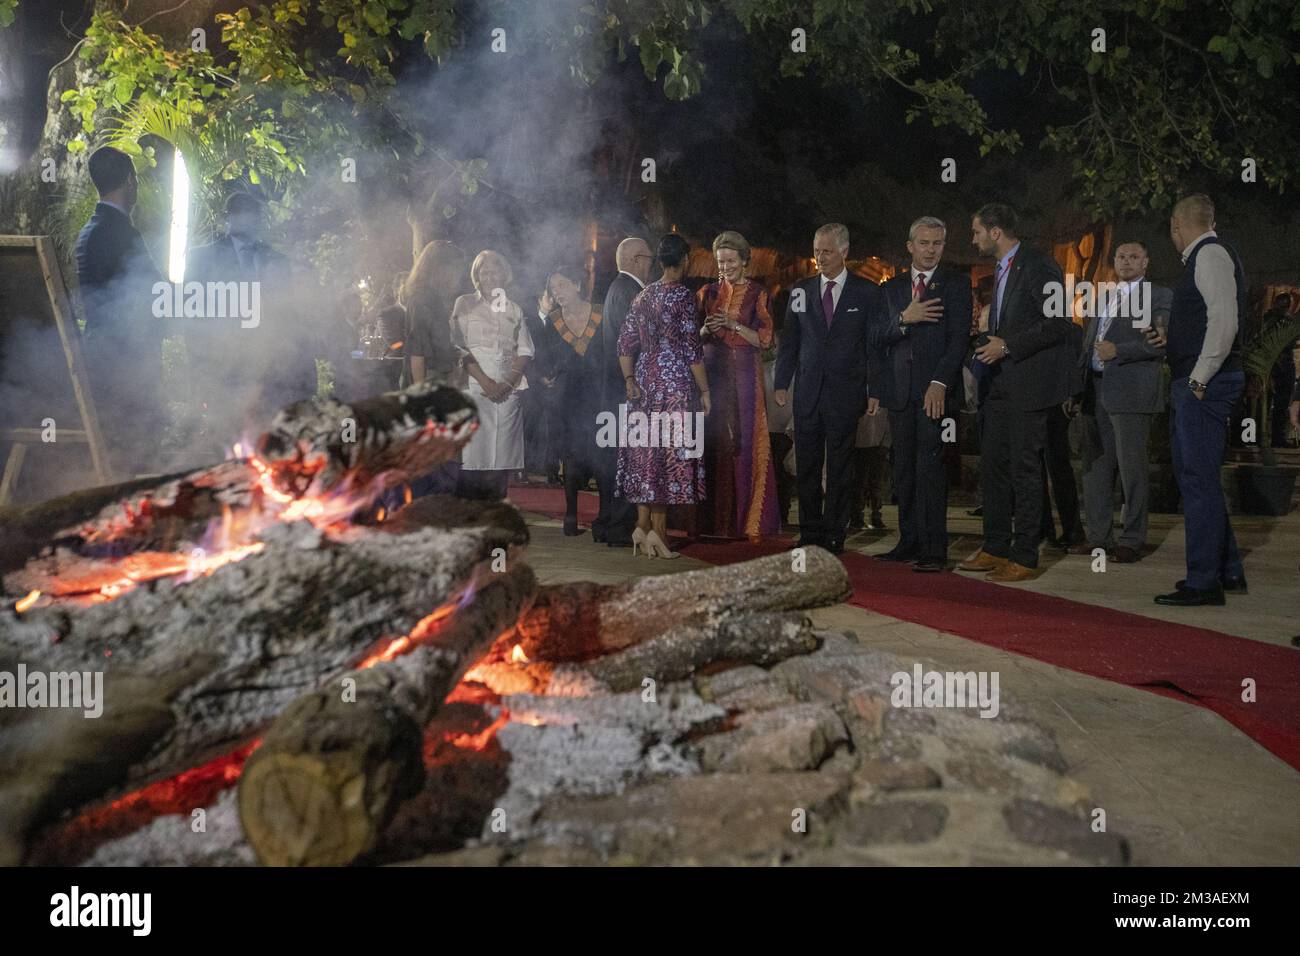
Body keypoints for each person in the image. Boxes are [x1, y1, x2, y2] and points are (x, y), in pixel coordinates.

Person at [957, 203, 1073, 582]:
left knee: (1025, 469)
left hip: (1029, 386)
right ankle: (994, 546)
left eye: (975, 232)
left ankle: (1025, 553)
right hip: (999, 386)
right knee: (994, 467)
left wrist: (1007, 345)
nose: (972, 240)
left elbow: (1057, 322)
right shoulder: (1001, 271)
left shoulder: (1040, 265)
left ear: (995, 231)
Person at [1146, 195, 1248, 606]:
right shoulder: (1210, 256)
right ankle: (1228, 569)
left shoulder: (1208, 254)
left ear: (1175, 225)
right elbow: (1212, 321)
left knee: (1198, 481)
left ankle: (1204, 582)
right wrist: (1173, 343)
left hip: (1204, 383)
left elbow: (1225, 322)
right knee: (1199, 478)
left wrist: (1198, 380)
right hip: (1202, 378)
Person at [871, 215, 973, 571]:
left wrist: (940, 383)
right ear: (910, 246)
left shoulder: (957, 285)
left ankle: (934, 549)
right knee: (904, 468)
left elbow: (959, 339)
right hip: (899, 393)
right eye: (925, 243)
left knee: (931, 467)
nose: (931, 250)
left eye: (937, 244)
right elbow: (876, 337)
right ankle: (908, 541)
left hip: (936, 394)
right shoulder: (891, 290)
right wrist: (904, 319)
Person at [774, 223, 882, 554]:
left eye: (827, 251)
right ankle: (810, 532)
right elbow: (790, 340)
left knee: (840, 467)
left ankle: (835, 533)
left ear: (845, 252)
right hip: (807, 392)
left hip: (846, 393)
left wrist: (874, 389)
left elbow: (873, 345)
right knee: (806, 465)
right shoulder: (800, 290)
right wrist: (781, 382)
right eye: (817, 250)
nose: (820, 257)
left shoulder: (866, 293)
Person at [185, 191, 318, 446]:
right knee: (226, 442)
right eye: (241, 213)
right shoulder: (202, 258)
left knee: (265, 443)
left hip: (269, 368)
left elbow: (287, 316)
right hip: (224, 367)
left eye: (253, 214)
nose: (248, 220)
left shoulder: (277, 261)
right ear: (229, 218)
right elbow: (193, 317)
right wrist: (200, 367)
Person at [1071, 240, 1172, 563]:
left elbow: (1160, 344)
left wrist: (1120, 351)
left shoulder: (1159, 296)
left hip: (1131, 391)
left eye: (1134, 257)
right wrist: (1076, 388)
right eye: (1121, 256)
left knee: (1132, 470)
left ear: (1146, 263)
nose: (1126, 262)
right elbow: (1090, 346)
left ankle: (1132, 538)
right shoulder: (1104, 298)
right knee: (1095, 468)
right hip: (1095, 391)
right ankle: (1099, 537)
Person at [616, 233, 710, 558]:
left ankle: (641, 528)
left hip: (644, 380)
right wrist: (706, 389)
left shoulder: (643, 296)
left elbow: (625, 344)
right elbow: (692, 348)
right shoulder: (683, 297)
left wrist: (630, 379)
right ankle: (659, 534)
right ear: (684, 260)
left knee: (645, 455)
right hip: (673, 386)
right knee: (667, 458)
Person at [75, 146, 165, 477]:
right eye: (136, 181)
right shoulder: (120, 233)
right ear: (130, 181)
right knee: (134, 459)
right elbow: (152, 294)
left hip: (100, 359)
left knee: (112, 457)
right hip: (126, 366)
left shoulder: (91, 230)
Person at [696, 230, 780, 542]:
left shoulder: (759, 293)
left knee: (744, 442)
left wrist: (732, 325)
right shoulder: (707, 292)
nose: (725, 266)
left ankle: (749, 520)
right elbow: (691, 339)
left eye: (731, 260)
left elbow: (765, 340)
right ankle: (712, 522)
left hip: (745, 375)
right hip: (713, 373)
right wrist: (706, 328)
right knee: (713, 442)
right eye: (720, 261)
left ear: (745, 261)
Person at [449, 250, 533, 499]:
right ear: (476, 275)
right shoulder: (464, 303)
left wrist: (507, 382)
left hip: (508, 390)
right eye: (484, 271)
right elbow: (457, 345)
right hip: (474, 387)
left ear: (504, 274)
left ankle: (496, 510)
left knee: (502, 457)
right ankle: (470, 515)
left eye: (494, 270)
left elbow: (526, 349)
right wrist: (485, 382)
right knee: (473, 454)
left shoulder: (515, 308)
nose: (489, 275)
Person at [533, 264, 608, 537]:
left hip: (599, 394)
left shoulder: (602, 313)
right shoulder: (552, 320)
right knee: (572, 455)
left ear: (577, 284)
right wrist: (545, 378)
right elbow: (540, 358)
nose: (557, 292)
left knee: (601, 452)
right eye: (553, 288)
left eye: (562, 285)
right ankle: (571, 515)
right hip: (566, 397)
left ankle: (605, 517)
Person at [594, 238, 654, 546]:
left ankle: (606, 523)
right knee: (625, 461)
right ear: (635, 260)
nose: (650, 264)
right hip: (627, 390)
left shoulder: (615, 289)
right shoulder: (632, 293)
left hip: (614, 388)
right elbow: (637, 343)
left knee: (612, 462)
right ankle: (619, 527)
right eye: (647, 258)